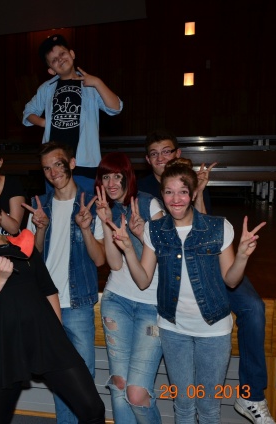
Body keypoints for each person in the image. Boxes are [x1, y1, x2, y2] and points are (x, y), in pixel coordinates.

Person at [109, 158, 266, 424]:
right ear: (162, 195)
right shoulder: (155, 230)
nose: (176, 199)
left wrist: (241, 256)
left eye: (183, 191)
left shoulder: (218, 227)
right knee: (182, 407)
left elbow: (231, 281)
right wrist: (127, 249)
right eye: (169, 192)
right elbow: (143, 280)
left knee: (208, 409)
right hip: (173, 330)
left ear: (193, 194)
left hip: (213, 331)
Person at [0, 187, 106, 424]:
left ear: (0, 217)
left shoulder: (22, 245)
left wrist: (57, 334)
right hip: (2, 344)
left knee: (93, 409)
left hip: (45, 336)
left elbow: (49, 290)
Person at [22, 141, 106, 424]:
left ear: (71, 163)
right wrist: (40, 228)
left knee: (83, 378)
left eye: (58, 164)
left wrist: (86, 228)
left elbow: (100, 260)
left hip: (79, 303)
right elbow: (32, 258)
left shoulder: (91, 203)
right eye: (47, 168)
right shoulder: (39, 206)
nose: (53, 172)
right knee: (60, 378)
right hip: (47, 305)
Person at [94, 152, 164, 423]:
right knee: (120, 383)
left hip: (152, 306)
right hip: (116, 301)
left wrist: (141, 232)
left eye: (117, 176)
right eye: (106, 177)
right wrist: (104, 221)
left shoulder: (148, 203)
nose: (111, 183)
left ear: (127, 177)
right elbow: (114, 264)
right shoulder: (105, 209)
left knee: (136, 393)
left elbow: (165, 255)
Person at [22, 33, 123, 195]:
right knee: (56, 205)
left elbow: (115, 108)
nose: (60, 59)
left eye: (62, 53)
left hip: (85, 161)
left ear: (72, 54)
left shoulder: (90, 84)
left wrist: (97, 83)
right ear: (51, 70)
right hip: (55, 164)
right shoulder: (46, 88)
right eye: (54, 60)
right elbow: (28, 112)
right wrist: (44, 122)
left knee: (86, 205)